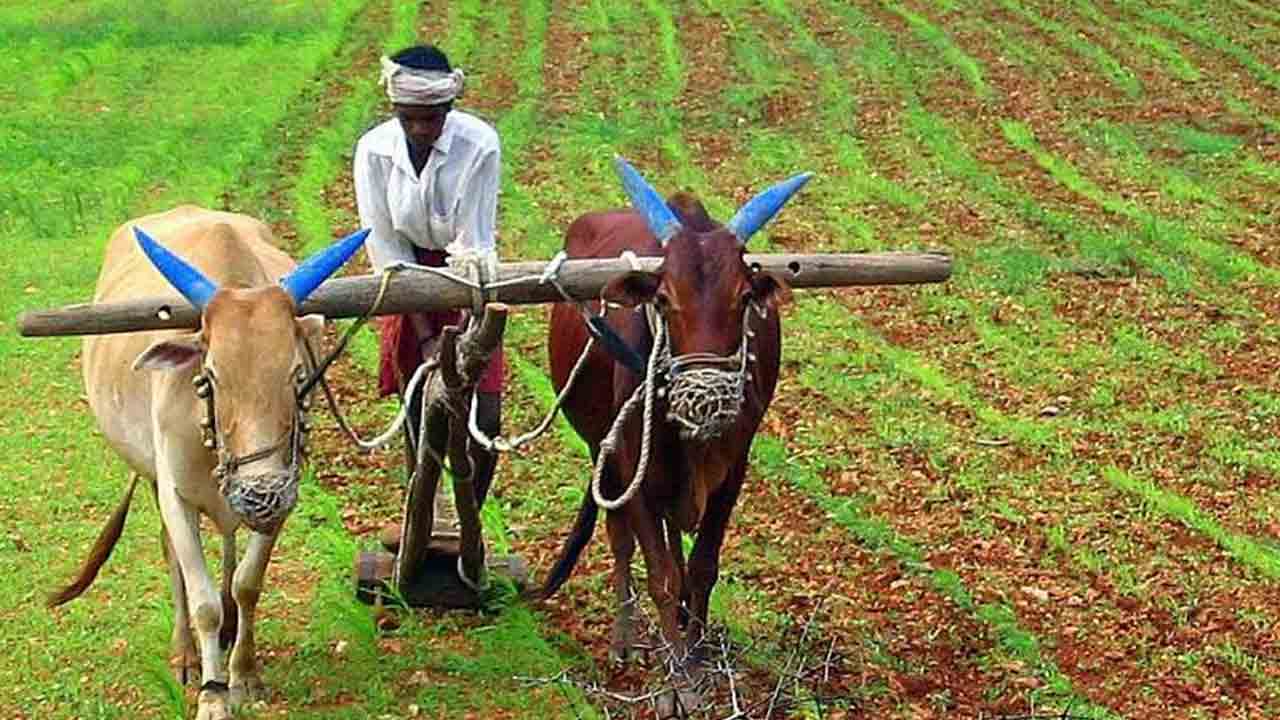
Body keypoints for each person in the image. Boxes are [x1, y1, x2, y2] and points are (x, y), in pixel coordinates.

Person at [353, 44, 504, 511]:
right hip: (406, 281)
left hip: (468, 277)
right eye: (410, 118)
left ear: (449, 108)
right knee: (420, 405)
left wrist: (467, 339)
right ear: (396, 110)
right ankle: (422, 509)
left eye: (432, 118)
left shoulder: (480, 144)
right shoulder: (374, 150)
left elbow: (473, 242)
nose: (420, 128)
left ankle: (468, 518)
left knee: (486, 414)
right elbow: (386, 249)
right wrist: (424, 339)